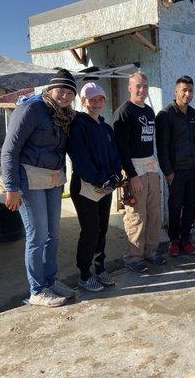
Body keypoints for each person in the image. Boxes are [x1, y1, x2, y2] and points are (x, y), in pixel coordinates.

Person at [1, 69, 77, 307]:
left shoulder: (64, 114)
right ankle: (37, 290)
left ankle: (50, 282)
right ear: (50, 89)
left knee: (53, 235)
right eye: (61, 90)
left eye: (70, 92)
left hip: (53, 180)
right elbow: (9, 150)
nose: (65, 96)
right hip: (28, 180)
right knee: (37, 235)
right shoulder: (31, 109)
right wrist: (11, 187)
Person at [68, 83, 122, 291]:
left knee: (102, 229)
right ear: (83, 102)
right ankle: (84, 274)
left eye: (100, 99)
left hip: (105, 187)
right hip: (85, 188)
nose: (97, 103)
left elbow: (114, 155)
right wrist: (99, 179)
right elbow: (80, 159)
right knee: (89, 230)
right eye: (92, 99)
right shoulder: (78, 125)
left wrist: (116, 175)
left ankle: (100, 268)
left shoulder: (106, 127)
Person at [114, 72, 164, 272]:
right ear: (129, 87)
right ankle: (134, 256)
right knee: (137, 214)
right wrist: (132, 175)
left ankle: (151, 251)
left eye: (145, 86)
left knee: (154, 212)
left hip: (150, 166)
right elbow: (121, 147)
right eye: (138, 86)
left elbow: (149, 143)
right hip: (135, 169)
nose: (142, 90)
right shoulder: (124, 112)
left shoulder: (150, 111)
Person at [156, 75, 195, 257]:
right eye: (184, 90)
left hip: (193, 170)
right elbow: (162, 147)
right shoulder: (165, 115)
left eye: (190, 90)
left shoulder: (193, 114)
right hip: (176, 172)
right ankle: (174, 240)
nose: (188, 94)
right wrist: (168, 172)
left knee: (190, 206)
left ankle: (186, 239)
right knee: (175, 206)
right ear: (175, 91)